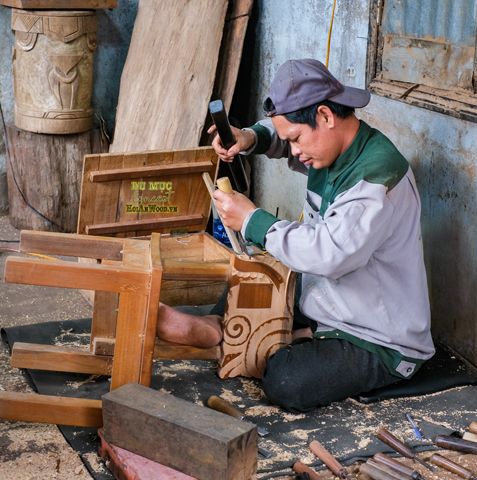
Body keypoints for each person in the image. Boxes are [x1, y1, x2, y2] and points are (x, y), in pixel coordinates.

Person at [157, 58, 435, 412]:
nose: (293, 151)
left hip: (376, 336)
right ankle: (227, 329)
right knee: (252, 281)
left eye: (297, 140)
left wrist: (252, 220)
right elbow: (279, 134)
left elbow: (330, 255)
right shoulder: (332, 147)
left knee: (287, 380)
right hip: (331, 298)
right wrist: (249, 137)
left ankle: (244, 336)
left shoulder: (375, 178)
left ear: (325, 115)